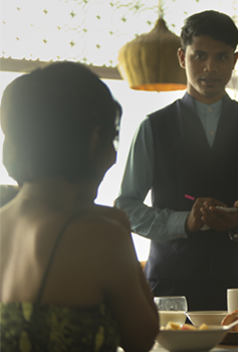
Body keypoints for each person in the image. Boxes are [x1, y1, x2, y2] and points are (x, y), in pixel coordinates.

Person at [115, 10, 238, 311]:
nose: (210, 67)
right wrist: (183, 221)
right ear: (183, 57)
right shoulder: (153, 127)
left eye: (222, 57)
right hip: (171, 285)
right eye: (200, 56)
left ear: (235, 61)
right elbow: (126, 208)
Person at [0, 62, 159, 351]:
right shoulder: (102, 237)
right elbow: (143, 339)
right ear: (93, 139)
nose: (112, 157)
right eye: (112, 138)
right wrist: (121, 224)